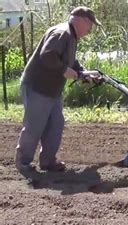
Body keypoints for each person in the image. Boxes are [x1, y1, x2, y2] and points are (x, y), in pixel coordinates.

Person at [15, 6, 102, 172]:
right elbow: (47, 55)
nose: (91, 29)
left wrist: (84, 75)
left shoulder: (71, 37)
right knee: (35, 125)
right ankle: (23, 163)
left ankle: (48, 162)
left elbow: (69, 62)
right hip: (38, 87)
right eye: (90, 24)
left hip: (52, 90)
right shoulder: (62, 33)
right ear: (81, 21)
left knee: (56, 124)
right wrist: (64, 70)